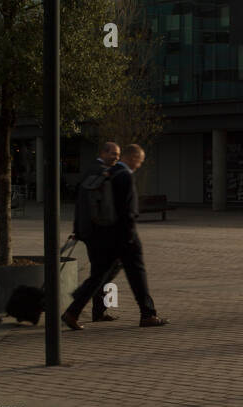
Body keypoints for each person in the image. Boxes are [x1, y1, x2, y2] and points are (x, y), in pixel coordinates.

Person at [63, 144, 168, 330]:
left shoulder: (108, 173)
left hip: (106, 235)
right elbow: (127, 210)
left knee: (99, 275)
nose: (139, 165)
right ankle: (148, 314)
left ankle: (73, 311)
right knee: (137, 275)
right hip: (125, 237)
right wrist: (130, 237)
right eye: (139, 161)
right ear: (133, 157)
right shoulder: (124, 176)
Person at [72, 141, 122, 322]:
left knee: (102, 269)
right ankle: (79, 304)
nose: (116, 158)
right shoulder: (100, 172)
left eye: (118, 154)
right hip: (98, 232)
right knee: (106, 268)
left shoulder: (91, 170)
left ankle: (96, 309)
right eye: (114, 154)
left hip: (90, 230)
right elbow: (100, 207)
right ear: (103, 152)